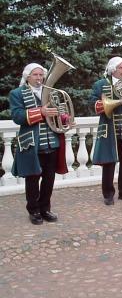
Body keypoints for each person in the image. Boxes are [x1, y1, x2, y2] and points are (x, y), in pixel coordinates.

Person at [9, 63, 68, 225]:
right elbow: (17, 116)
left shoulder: (50, 93)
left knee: (49, 180)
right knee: (33, 180)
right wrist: (40, 112)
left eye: (41, 75)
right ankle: (33, 210)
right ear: (27, 76)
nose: (39, 78)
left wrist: (65, 119)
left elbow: (58, 114)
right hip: (33, 145)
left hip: (52, 143)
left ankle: (45, 209)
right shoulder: (17, 93)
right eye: (35, 75)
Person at [90, 57, 122, 206]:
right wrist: (106, 104)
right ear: (113, 69)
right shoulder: (100, 84)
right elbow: (92, 104)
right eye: (120, 68)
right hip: (109, 127)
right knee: (109, 163)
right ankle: (108, 194)